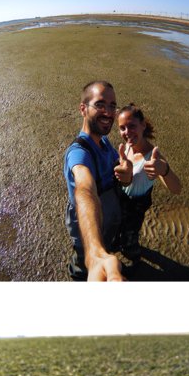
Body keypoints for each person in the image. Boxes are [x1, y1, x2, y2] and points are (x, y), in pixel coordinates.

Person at [63, 80, 132, 281]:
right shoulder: (78, 153)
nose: (109, 112)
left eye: (112, 106)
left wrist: (126, 174)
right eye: (100, 104)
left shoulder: (104, 141)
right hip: (88, 223)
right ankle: (79, 272)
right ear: (83, 109)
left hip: (109, 216)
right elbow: (85, 189)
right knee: (82, 259)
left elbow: (117, 169)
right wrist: (94, 253)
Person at [116, 103, 182, 260]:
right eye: (122, 128)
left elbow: (177, 189)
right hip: (120, 199)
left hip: (135, 208)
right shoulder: (127, 146)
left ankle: (134, 258)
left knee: (129, 240)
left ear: (143, 125)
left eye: (131, 126)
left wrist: (164, 170)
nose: (127, 132)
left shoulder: (153, 158)